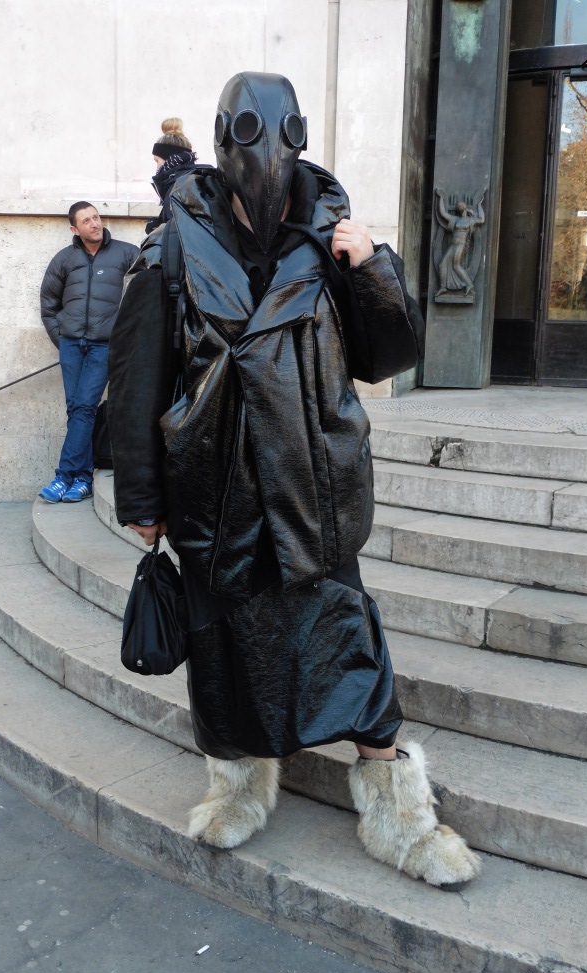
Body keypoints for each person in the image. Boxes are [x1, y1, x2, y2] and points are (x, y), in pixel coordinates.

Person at [108, 72, 480, 889]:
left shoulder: (329, 237)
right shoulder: (172, 247)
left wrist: (371, 267)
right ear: (219, 140)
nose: (263, 153)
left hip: (313, 490)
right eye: (244, 132)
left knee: (350, 645)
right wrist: (140, 497)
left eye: (277, 133)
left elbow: (388, 357)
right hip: (213, 493)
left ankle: (400, 818)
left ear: (301, 136)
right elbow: (135, 380)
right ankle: (238, 787)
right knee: (223, 651)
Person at [38, 202, 139, 503]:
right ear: (74, 228)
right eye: (86, 221)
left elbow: (148, 290)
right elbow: (48, 304)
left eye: (96, 217)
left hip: (104, 346)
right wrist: (62, 338)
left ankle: (63, 475)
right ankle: (83, 478)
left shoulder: (126, 253)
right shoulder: (64, 259)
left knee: (83, 406)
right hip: (71, 344)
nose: (95, 224)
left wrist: (127, 336)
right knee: (76, 409)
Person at [145, 118, 200, 234]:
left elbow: (178, 233)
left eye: (157, 161)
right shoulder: (191, 179)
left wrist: (158, 232)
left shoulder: (177, 187)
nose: (157, 167)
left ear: (169, 158)